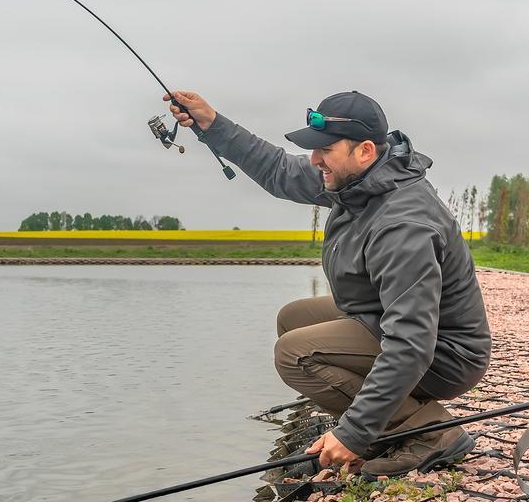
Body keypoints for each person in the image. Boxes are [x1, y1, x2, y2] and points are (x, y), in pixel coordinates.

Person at [164, 89, 491, 478]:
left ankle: (430, 433)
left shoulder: (403, 224)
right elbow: (278, 170)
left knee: (295, 353)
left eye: (325, 150)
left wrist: (352, 433)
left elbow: (411, 342)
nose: (315, 159)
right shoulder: (360, 183)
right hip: (393, 321)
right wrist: (213, 125)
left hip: (445, 354)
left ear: (365, 150)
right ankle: (388, 423)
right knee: (294, 319)